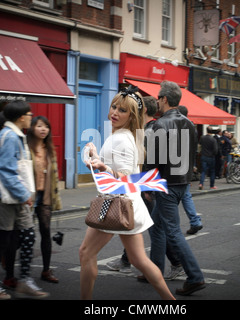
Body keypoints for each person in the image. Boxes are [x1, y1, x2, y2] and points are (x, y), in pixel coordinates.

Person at [79, 87, 175, 300]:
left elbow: (126, 175)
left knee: (86, 253)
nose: (115, 112)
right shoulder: (127, 135)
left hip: (115, 204)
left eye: (122, 110)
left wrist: (104, 168)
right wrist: (96, 158)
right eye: (114, 107)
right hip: (128, 204)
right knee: (138, 259)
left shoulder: (121, 138)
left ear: (131, 115)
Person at [0, 101, 49, 300]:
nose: (31, 117)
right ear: (21, 117)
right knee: (1, 241)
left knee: (27, 236)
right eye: (29, 114)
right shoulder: (9, 137)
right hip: (5, 197)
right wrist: (24, 194)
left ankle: (24, 280)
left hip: (14, 196)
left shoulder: (16, 136)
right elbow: (7, 171)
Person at [145, 81, 205, 296]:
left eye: (159, 98)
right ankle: (154, 271)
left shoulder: (160, 124)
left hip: (165, 185)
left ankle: (195, 276)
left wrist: (146, 185)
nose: (158, 102)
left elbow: (153, 160)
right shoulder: (189, 123)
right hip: (182, 183)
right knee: (156, 226)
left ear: (164, 99)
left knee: (172, 231)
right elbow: (191, 155)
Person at [26, 116, 62, 283]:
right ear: (32, 127)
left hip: (45, 196)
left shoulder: (49, 149)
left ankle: (46, 270)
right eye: (39, 126)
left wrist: (56, 199)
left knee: (46, 233)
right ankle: (7, 260)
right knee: (24, 233)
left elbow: (53, 177)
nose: (43, 129)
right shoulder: (27, 148)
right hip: (28, 197)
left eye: (46, 127)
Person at [177, 105, 203, 235]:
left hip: (175, 166)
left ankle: (168, 225)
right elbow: (193, 149)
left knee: (171, 197)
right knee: (185, 196)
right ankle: (195, 221)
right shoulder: (192, 127)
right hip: (186, 165)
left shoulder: (175, 127)